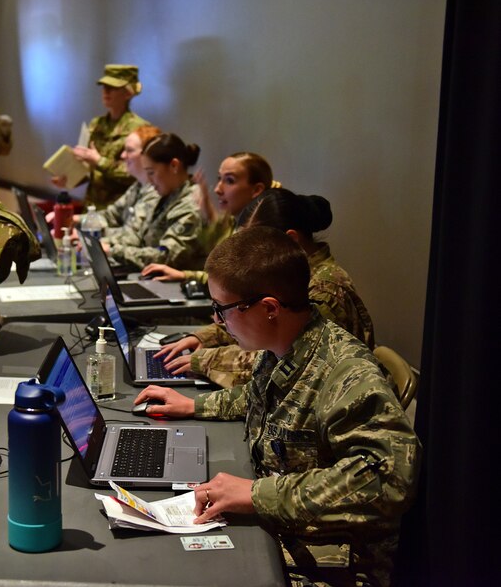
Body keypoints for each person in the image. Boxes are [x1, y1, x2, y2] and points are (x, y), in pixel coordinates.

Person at [133, 226, 420, 587]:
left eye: (222, 310)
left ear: (269, 308)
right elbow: (257, 396)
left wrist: (256, 495)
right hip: (283, 529)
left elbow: (390, 479)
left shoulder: (347, 375)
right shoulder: (284, 347)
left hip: (326, 560)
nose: (218, 322)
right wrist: (194, 405)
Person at [157, 188, 376, 388]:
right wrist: (203, 338)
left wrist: (203, 360)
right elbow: (246, 313)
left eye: (253, 245)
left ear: (289, 240)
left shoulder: (323, 292)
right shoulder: (283, 277)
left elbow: (280, 364)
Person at [142, 151, 274, 283]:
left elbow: (231, 281)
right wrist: (207, 215)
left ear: (256, 190)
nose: (218, 189)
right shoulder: (233, 222)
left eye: (229, 181)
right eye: (219, 179)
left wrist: (185, 276)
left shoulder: (260, 235)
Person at [100, 132, 205, 271]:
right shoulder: (164, 196)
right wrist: (102, 242)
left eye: (151, 172)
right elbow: (138, 237)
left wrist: (114, 252)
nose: (149, 181)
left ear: (174, 165)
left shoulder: (191, 204)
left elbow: (166, 257)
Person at [51, 64, 151, 208]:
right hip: (91, 206)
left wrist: (99, 161)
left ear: (128, 93)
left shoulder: (141, 129)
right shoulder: (96, 124)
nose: (106, 91)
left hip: (119, 211)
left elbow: (137, 174)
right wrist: (69, 179)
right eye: (104, 86)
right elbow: (89, 170)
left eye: (113, 87)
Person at [72, 124, 161, 236]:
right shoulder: (137, 186)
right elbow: (111, 215)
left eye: (129, 150)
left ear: (147, 155)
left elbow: (131, 237)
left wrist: (88, 233)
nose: (123, 156)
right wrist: (74, 219)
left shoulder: (156, 192)